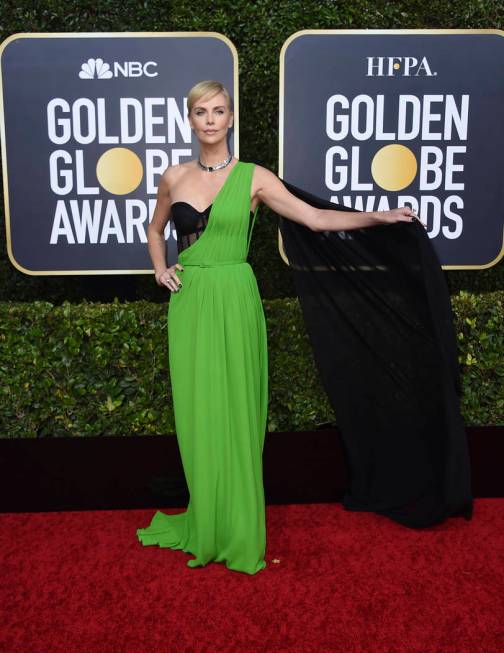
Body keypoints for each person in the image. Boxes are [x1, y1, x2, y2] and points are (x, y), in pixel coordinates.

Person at [136, 80, 471, 574]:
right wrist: (160, 267)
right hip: (191, 305)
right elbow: (155, 228)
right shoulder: (173, 177)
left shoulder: (254, 178)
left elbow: (314, 219)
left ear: (231, 119)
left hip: (235, 297)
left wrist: (377, 215)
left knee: (238, 414)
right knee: (197, 413)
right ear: (190, 120)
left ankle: (238, 527)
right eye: (201, 112)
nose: (210, 119)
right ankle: (205, 519)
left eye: (219, 111)